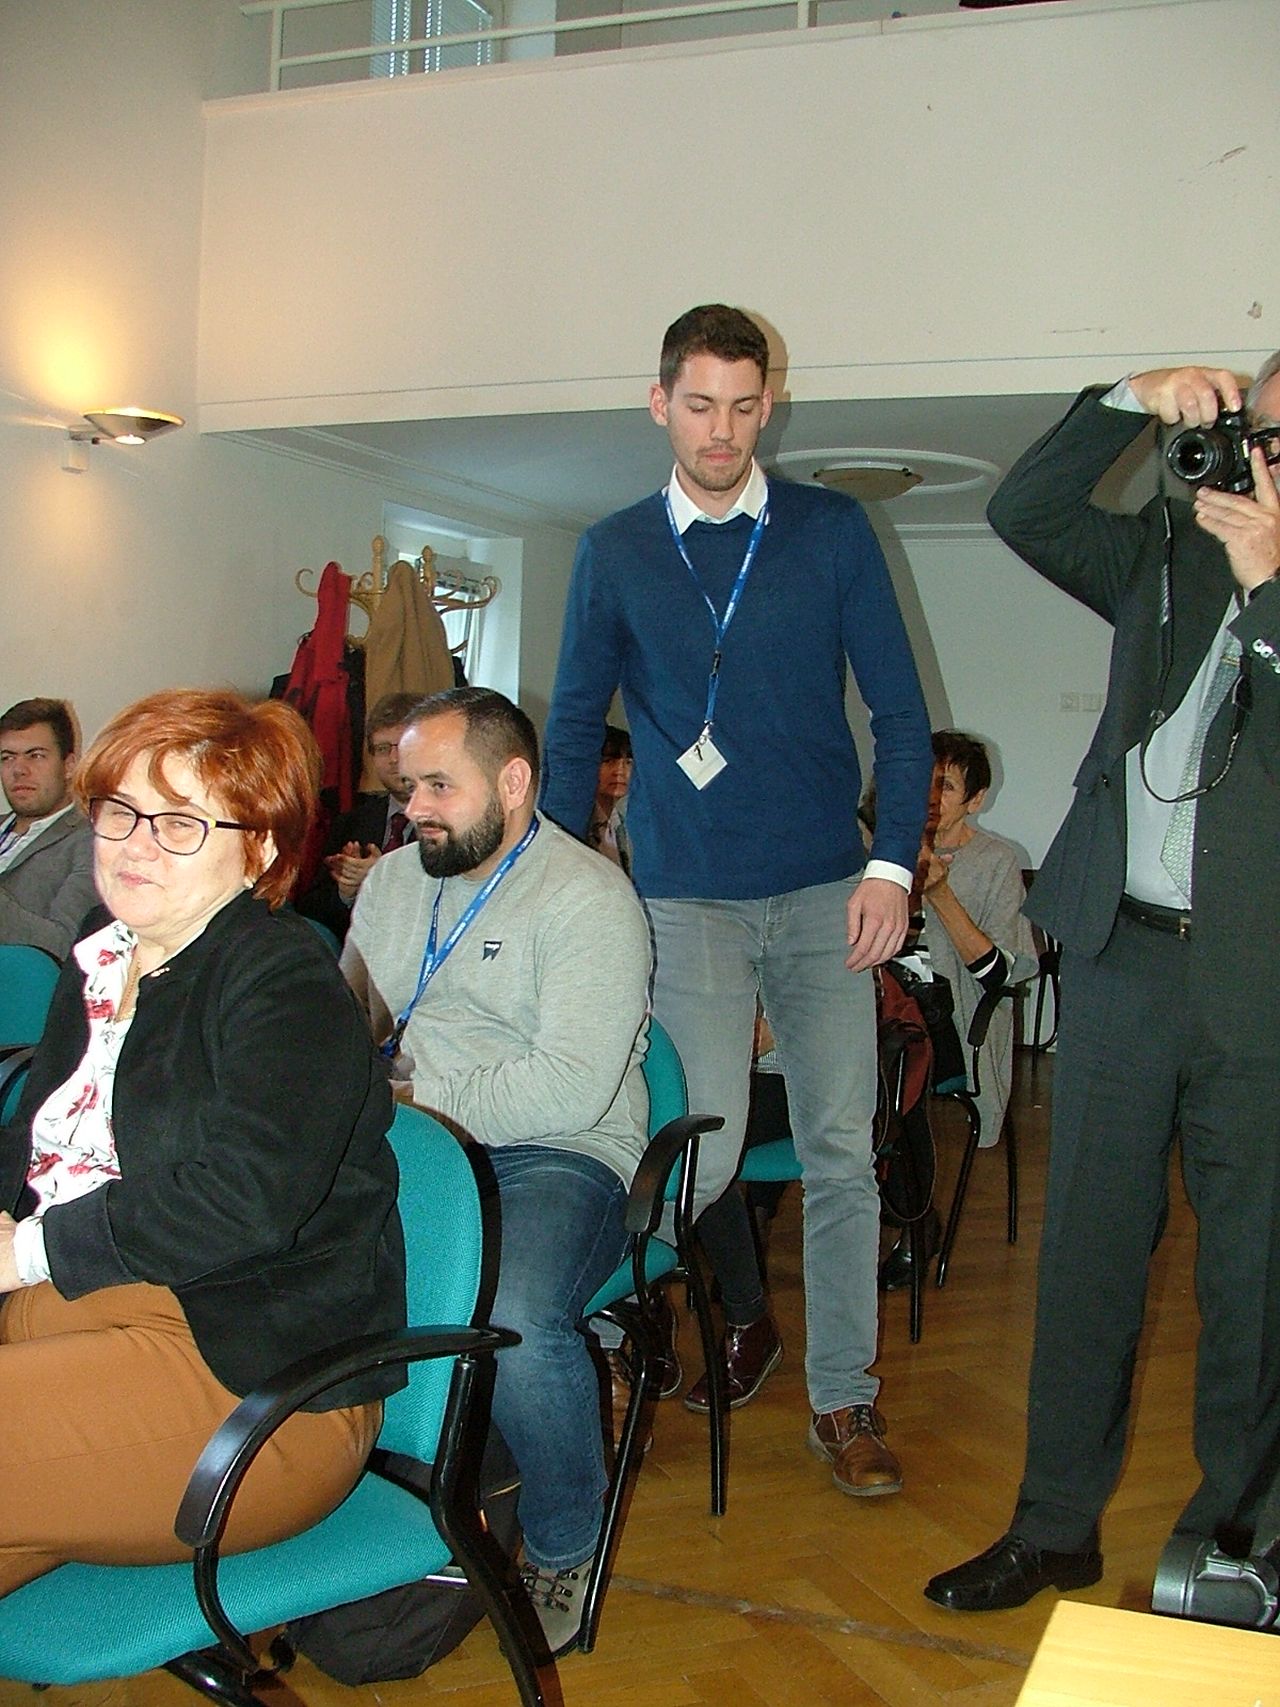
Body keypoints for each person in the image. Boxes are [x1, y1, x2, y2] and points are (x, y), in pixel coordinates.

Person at [541, 304, 932, 1497]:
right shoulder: (612, 549)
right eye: (699, 404)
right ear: (659, 403)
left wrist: (890, 867)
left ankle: (843, 1398)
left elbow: (900, 717)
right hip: (685, 898)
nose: (721, 431)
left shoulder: (830, 531)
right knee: (693, 1159)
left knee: (840, 1153)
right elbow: (572, 727)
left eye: (743, 406)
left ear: (770, 406)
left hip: (825, 892)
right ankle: (606, 1334)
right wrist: (551, 877)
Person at [925, 356, 1280, 1613]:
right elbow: (1022, 509)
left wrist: (1270, 589)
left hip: (1260, 986)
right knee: (1084, 1259)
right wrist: (1129, 399)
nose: (1265, 462)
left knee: (1251, 1280)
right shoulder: (1167, 552)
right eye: (1261, 433)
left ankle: (1238, 1540)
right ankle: (1053, 1527)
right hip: (1122, 958)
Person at [0, 689, 406, 1597]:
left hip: (256, 1379)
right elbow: (36, 1136)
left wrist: (26, 1251)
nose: (134, 844)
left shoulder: (284, 979)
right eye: (120, 810)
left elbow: (241, 1200)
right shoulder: (106, 947)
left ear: (257, 848)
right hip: (97, 1301)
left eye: (180, 822)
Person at [340, 686, 651, 1655]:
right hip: (413, 1133)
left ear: (513, 783)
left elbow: (569, 1088)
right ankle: (340, 1503)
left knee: (513, 1316)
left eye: (439, 786)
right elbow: (356, 1021)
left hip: (556, 1148)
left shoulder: (588, 897)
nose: (414, 809)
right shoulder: (396, 882)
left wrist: (409, 1100)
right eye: (407, 787)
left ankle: (565, 1539)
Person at [878, 730, 1037, 1290]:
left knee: (891, 1062)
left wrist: (940, 893)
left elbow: (1001, 973)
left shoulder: (996, 861)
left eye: (944, 786)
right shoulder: (878, 847)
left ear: (976, 799)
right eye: (922, 781)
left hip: (948, 1021)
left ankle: (912, 1221)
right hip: (876, 1006)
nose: (929, 796)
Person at [298, 690, 423, 941]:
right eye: (383, 748)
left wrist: (384, 880)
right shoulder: (351, 822)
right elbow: (310, 913)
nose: (394, 759)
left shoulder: (454, 824)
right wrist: (347, 892)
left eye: (403, 746)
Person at [0, 698, 98, 961]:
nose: (19, 770)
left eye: (35, 756)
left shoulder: (92, 842)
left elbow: (64, 945)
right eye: (7, 758)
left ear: (69, 766)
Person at [586, 724, 633, 875]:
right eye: (608, 761)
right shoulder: (580, 822)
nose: (620, 771)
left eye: (628, 762)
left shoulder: (622, 823)